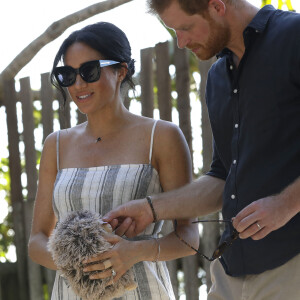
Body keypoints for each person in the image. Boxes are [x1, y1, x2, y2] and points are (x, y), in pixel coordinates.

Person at [103, 1, 300, 299]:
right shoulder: (218, 76)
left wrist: (285, 205)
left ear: (217, 6)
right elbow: (222, 177)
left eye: (184, 28)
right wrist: (151, 209)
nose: (180, 43)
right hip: (230, 271)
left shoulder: (294, 36)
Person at [28, 21, 199, 300]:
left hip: (142, 292)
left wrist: (134, 252)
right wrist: (83, 264)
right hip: (73, 292)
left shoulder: (162, 136)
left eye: (89, 71)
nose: (78, 84)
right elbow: (37, 241)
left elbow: (189, 236)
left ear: (121, 70)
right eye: (68, 75)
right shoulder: (56, 145)